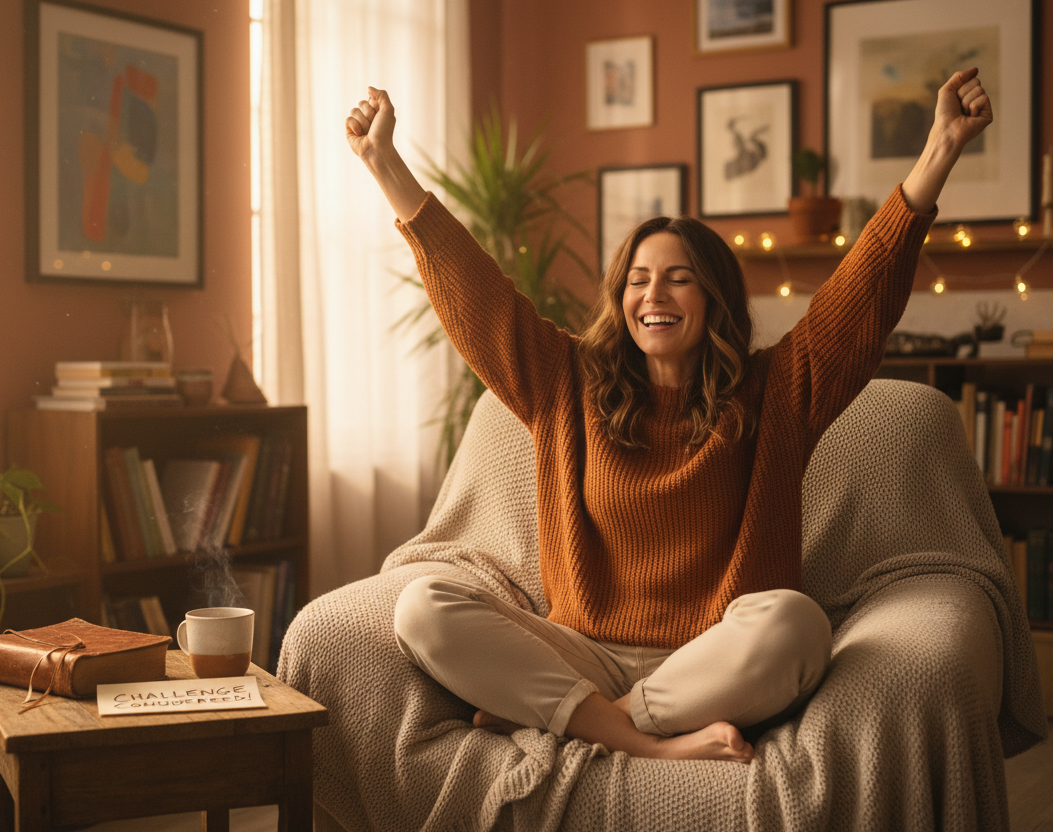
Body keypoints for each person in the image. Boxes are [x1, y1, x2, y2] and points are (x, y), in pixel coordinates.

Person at [345, 69, 992, 763]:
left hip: (714, 660)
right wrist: (385, 164)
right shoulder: (564, 381)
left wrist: (940, 148)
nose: (654, 294)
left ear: (713, 298)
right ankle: (645, 741)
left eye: (679, 279)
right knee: (423, 606)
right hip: (581, 653)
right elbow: (479, 300)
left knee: (798, 625)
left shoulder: (777, 391)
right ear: (620, 298)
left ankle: (593, 721)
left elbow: (861, 297)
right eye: (638, 279)